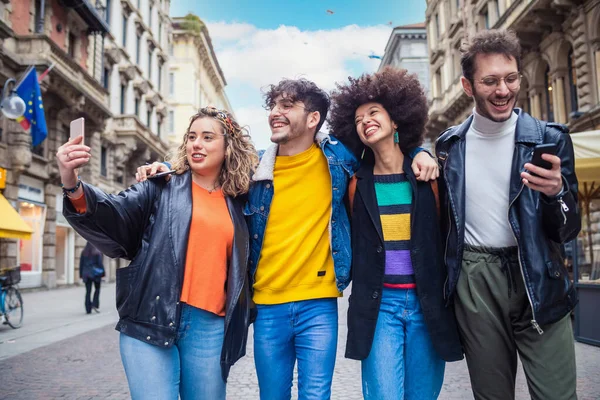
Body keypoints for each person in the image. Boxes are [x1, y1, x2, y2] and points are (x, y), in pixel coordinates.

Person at [140, 79, 439, 400]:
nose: (275, 113)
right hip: (268, 307)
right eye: (273, 106)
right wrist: (168, 166)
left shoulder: (338, 160)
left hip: (319, 305)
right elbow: (208, 161)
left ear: (312, 119)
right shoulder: (253, 167)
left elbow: (385, 146)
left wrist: (420, 151)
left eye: (286, 106)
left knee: (315, 396)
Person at [56, 107, 257, 400]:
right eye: (191, 137)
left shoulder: (241, 202)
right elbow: (114, 214)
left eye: (207, 137)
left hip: (210, 327)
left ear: (228, 147)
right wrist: (71, 182)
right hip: (150, 317)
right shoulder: (160, 186)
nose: (196, 144)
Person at [435, 29, 580, 400]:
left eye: (510, 78)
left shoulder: (551, 138)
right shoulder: (448, 145)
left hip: (539, 274)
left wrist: (556, 193)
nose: (503, 90)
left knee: (557, 395)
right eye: (490, 81)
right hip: (476, 281)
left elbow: (568, 228)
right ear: (468, 86)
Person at [327, 67, 463, 399]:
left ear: (397, 120)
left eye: (373, 112)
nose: (365, 121)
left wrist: (422, 152)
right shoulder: (354, 183)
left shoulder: (430, 177)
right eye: (358, 119)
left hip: (427, 304)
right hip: (379, 306)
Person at [79, 241, 104, 314]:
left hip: (86, 274)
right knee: (97, 289)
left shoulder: (84, 252)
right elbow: (100, 264)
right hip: (95, 274)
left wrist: (81, 275)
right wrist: (103, 273)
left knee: (88, 291)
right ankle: (95, 304)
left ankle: (88, 309)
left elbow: (81, 264)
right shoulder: (97, 252)